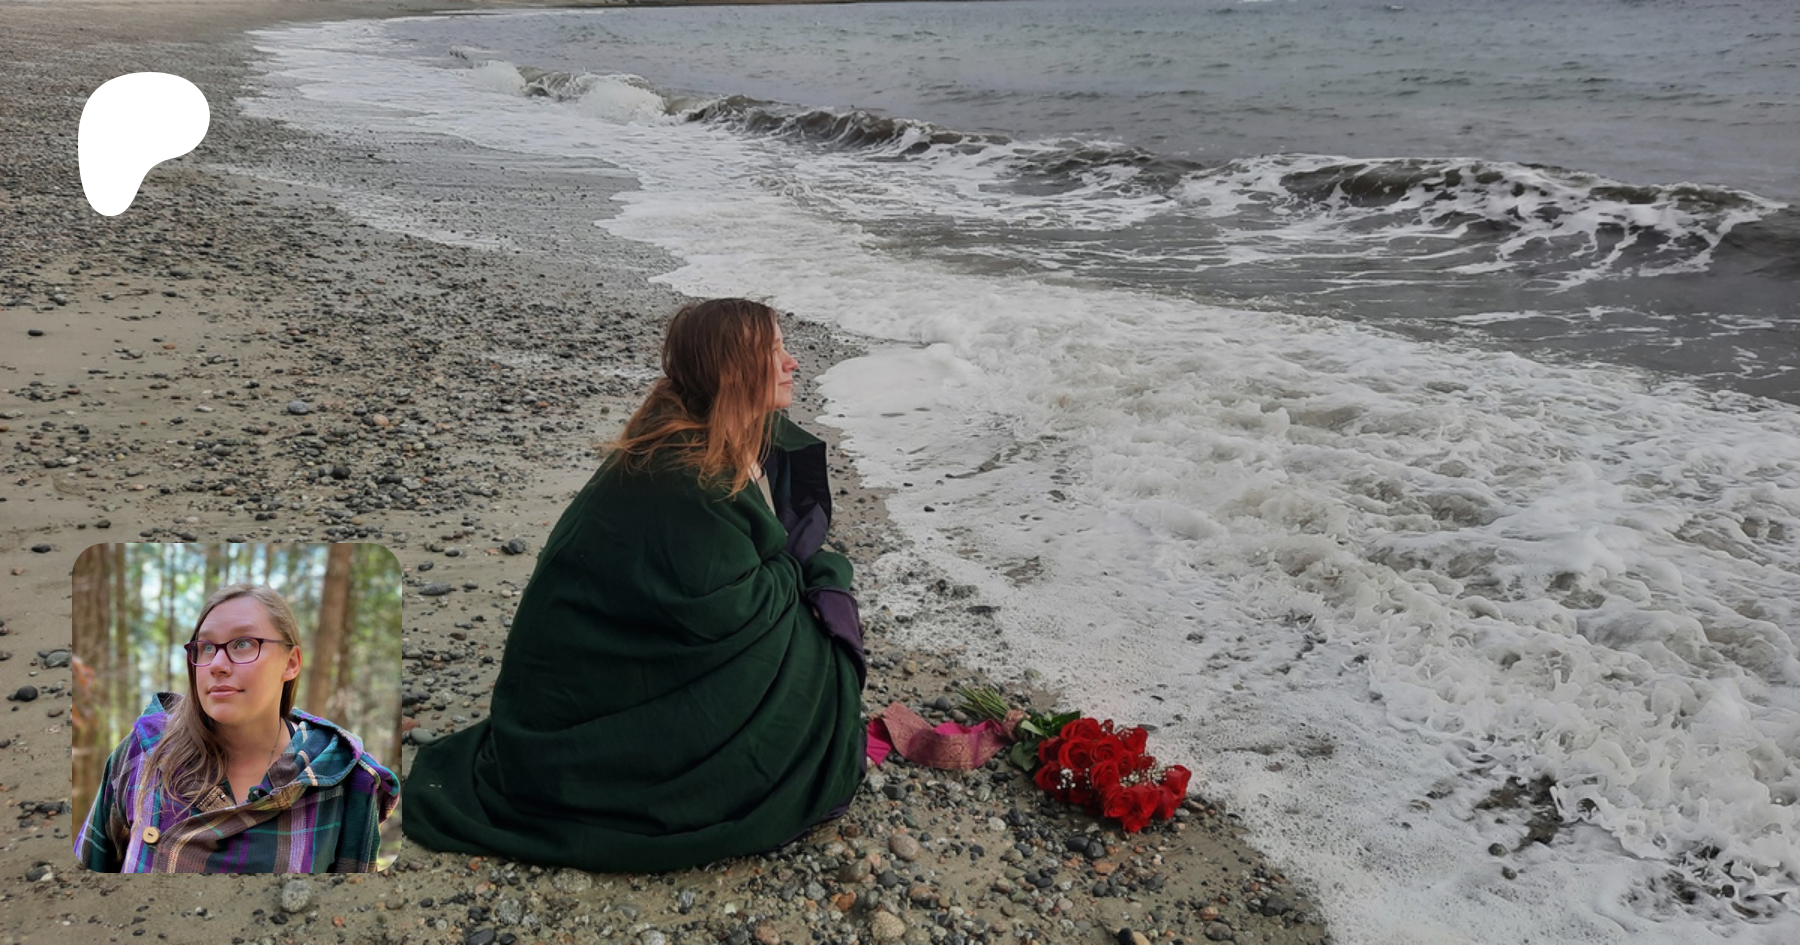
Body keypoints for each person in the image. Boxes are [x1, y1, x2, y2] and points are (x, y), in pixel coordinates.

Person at [402, 298, 867, 873]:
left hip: (601, 654)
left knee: (810, 607)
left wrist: (793, 569)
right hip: (595, 677)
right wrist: (813, 576)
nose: (792, 362)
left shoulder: (697, 430)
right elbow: (730, 610)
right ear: (732, 372)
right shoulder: (685, 476)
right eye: (775, 351)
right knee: (818, 649)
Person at [74, 584, 399, 873]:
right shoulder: (145, 753)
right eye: (206, 647)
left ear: (290, 663)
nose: (217, 664)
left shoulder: (343, 780)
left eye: (243, 643)